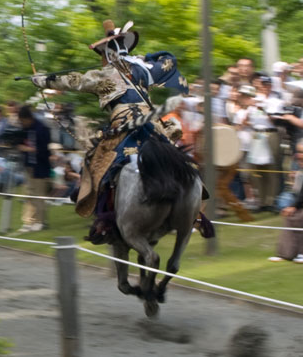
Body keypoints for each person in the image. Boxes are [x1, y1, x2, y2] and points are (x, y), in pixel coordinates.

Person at [31, 19, 192, 242]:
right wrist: (147, 58)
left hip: (124, 126)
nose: (100, 59)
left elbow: (73, 81)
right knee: (177, 159)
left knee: (95, 162)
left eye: (102, 55)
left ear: (107, 54)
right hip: (153, 126)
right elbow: (168, 60)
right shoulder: (144, 70)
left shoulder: (103, 75)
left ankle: (103, 219)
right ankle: (191, 212)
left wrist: (41, 80)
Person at [16, 105, 51, 232]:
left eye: (22, 121)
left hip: (40, 166)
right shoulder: (24, 129)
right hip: (28, 166)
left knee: (39, 195)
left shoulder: (41, 129)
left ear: (28, 118)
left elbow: (44, 149)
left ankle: (40, 221)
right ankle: (29, 221)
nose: (22, 123)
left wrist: (29, 149)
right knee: (29, 194)